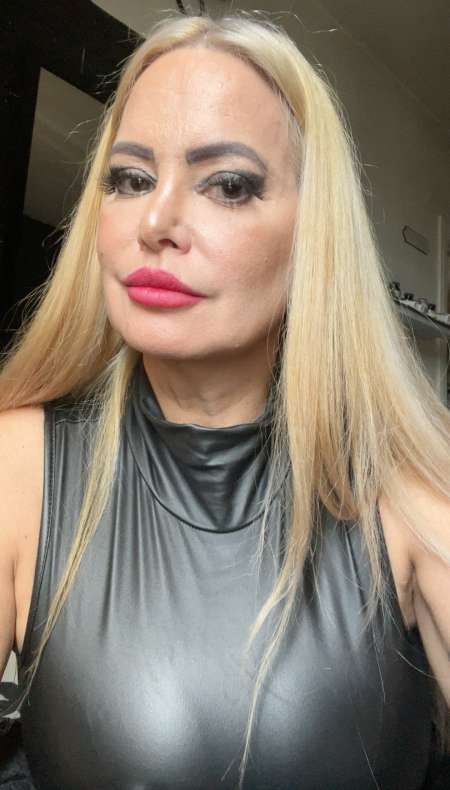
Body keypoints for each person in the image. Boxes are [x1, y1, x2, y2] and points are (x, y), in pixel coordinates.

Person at [0, 10, 449, 790]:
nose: (156, 221)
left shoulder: (405, 493)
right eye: (130, 178)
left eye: (229, 185)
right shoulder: (19, 467)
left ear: (313, 236)